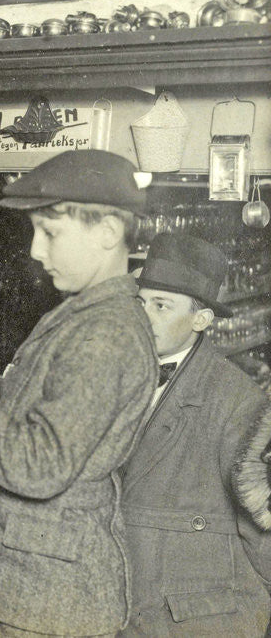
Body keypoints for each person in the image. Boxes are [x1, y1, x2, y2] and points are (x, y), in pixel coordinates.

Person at [0, 149, 158, 636]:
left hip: (45, 597)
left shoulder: (105, 334)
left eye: (51, 233)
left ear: (107, 233)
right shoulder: (87, 313)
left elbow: (39, 465)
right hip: (33, 585)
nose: (37, 251)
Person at [121, 233, 271, 636]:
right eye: (141, 303)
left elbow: (263, 535)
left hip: (197, 620)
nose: (143, 316)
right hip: (126, 608)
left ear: (201, 320)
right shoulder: (115, 376)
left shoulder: (239, 401)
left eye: (162, 306)